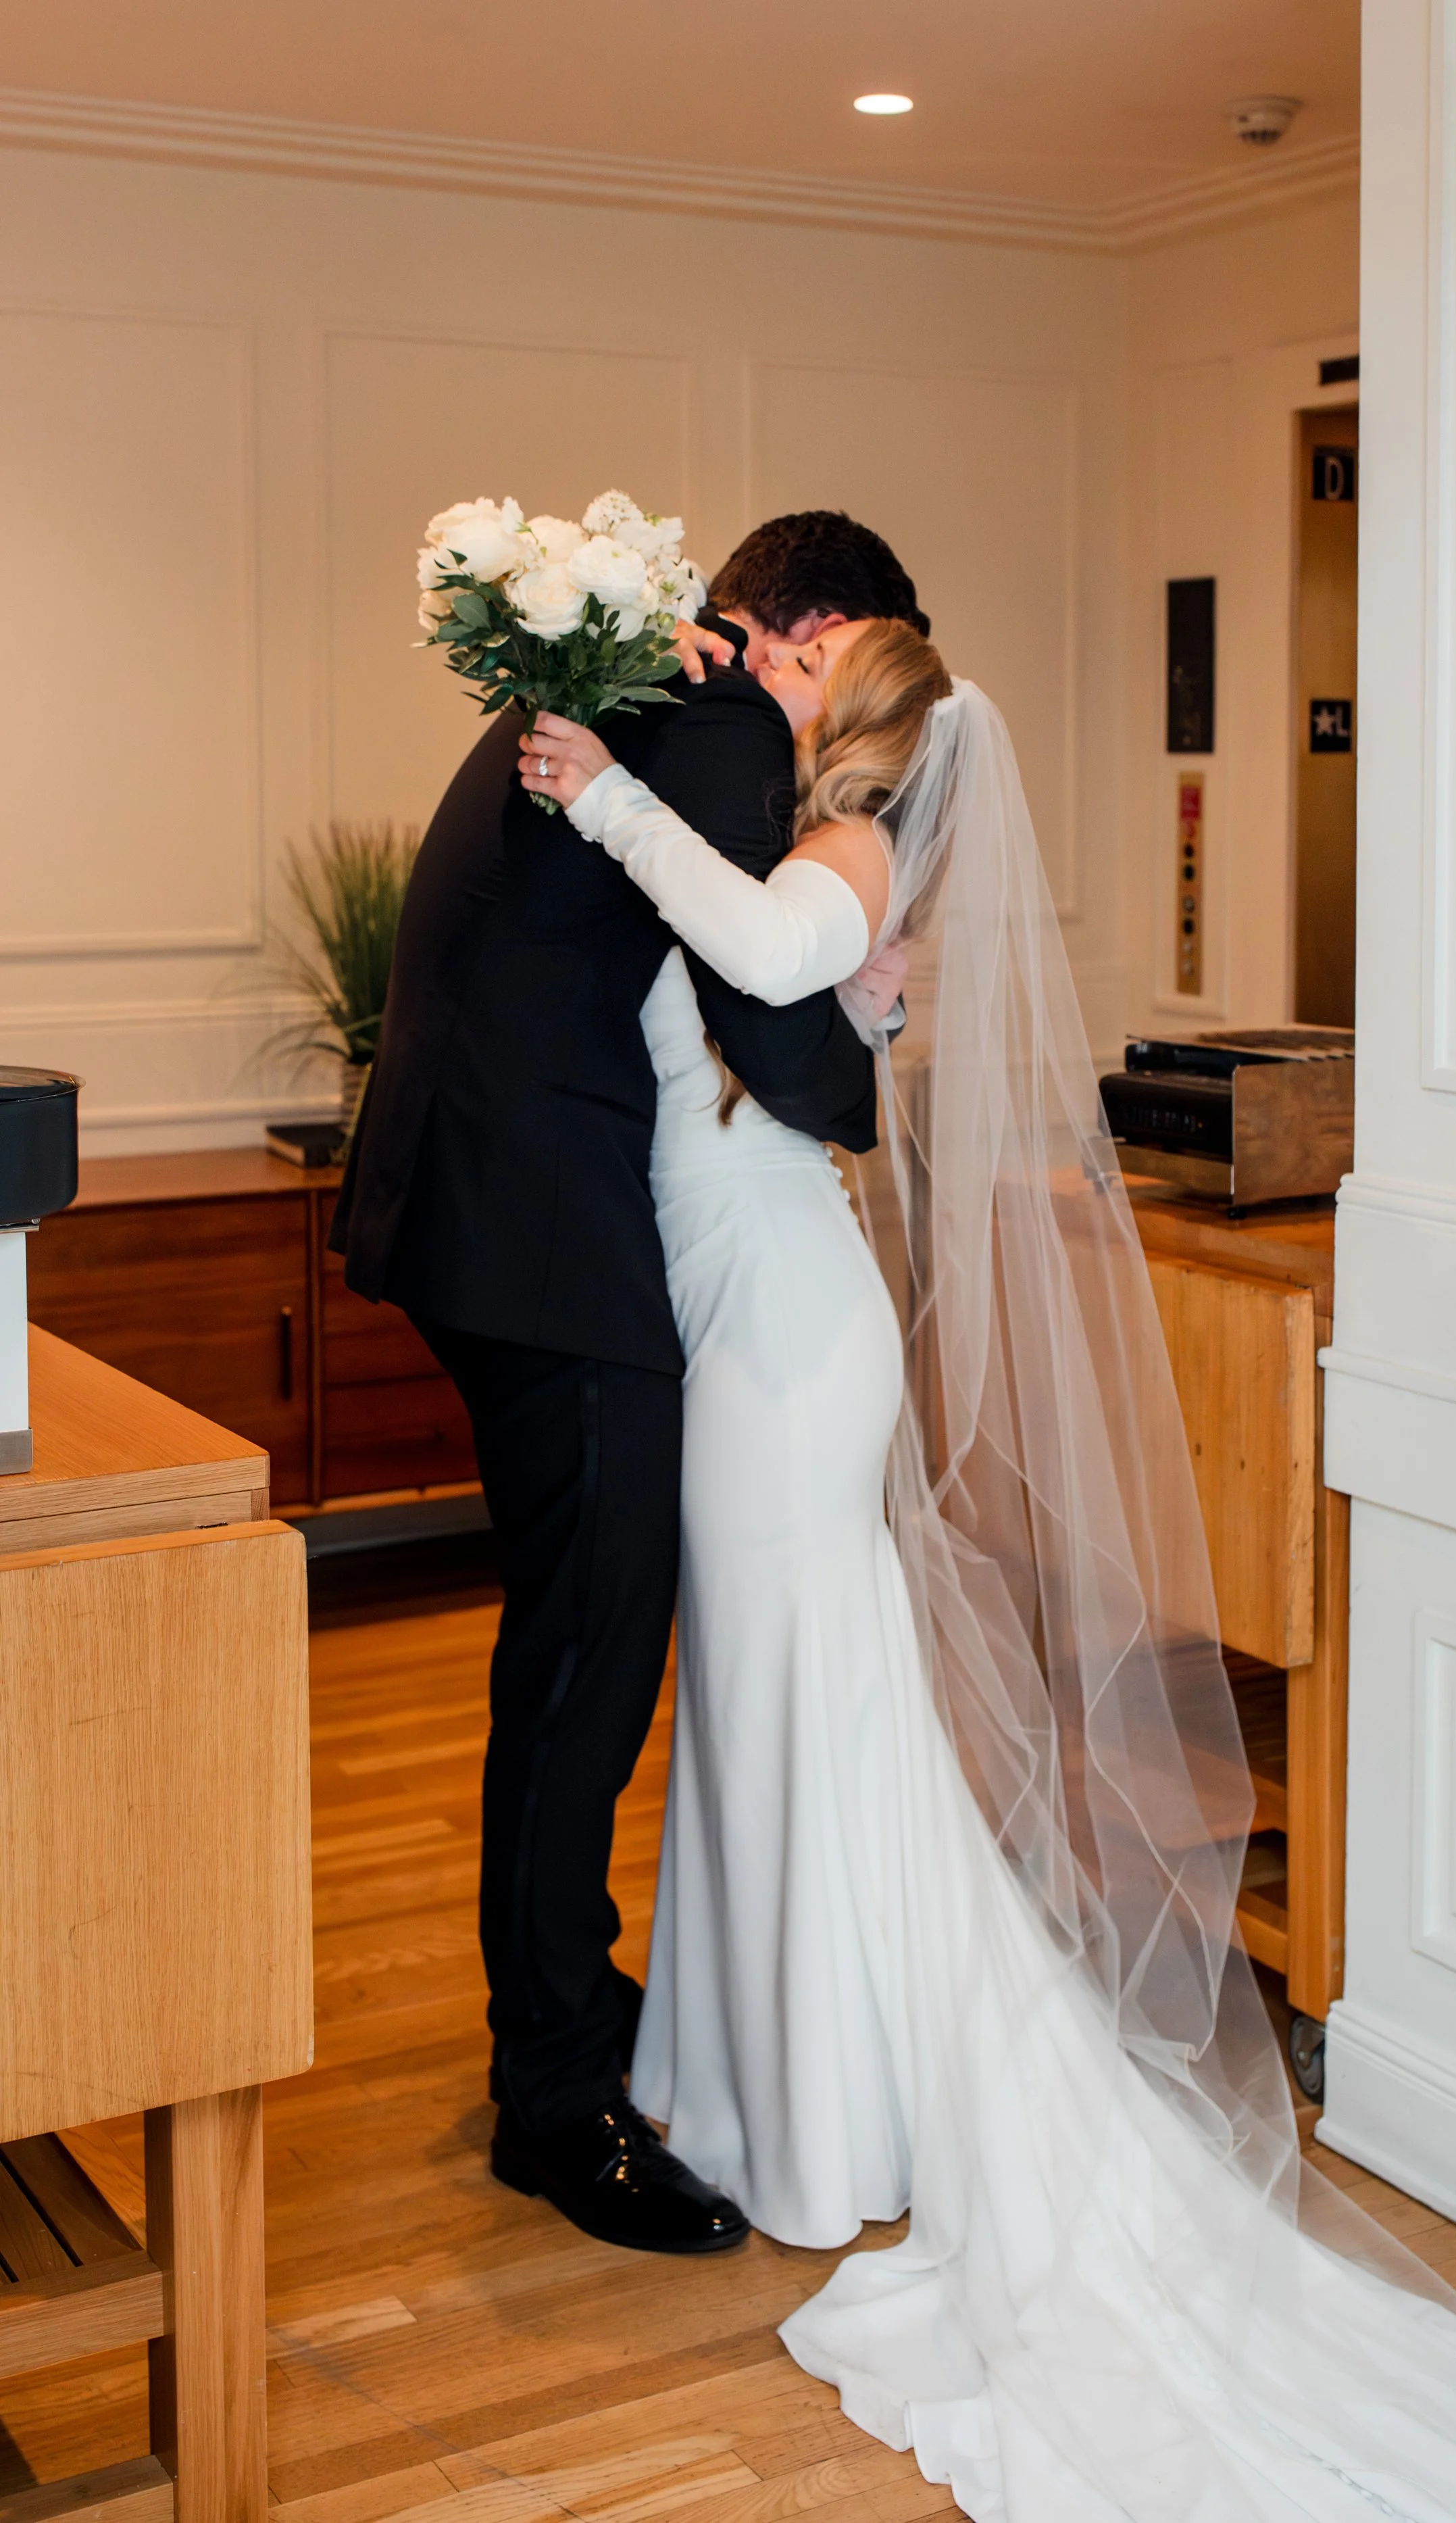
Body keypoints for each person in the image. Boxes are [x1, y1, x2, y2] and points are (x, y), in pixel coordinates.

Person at [517, 633, 1456, 2522]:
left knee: (798, 1703)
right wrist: (843, 990)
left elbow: (760, 956)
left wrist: (608, 792)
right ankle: (755, 2083)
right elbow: (798, 1008)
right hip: (743, 1315)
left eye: (810, 652)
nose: (780, 667)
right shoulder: (822, 854)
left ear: (877, 708)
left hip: (784, 1351)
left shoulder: (851, 852)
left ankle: (828, 2112)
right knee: (771, 1712)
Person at [330, 511, 926, 2257]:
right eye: (847, 661)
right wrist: (865, 1044)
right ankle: (559, 2098)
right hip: (549, 1239)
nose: (826, 718)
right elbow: (773, 1012)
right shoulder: (725, 718)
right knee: (589, 1658)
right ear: (808, 625)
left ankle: (582, 2021)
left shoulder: (627, 686)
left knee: (580, 1638)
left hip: (480, 1204)